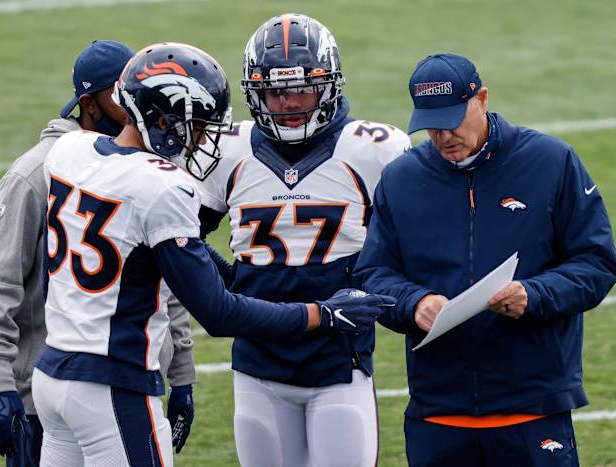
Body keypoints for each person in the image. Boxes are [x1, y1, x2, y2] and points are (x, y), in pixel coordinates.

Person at [30, 42, 394, 467]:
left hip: (52, 371)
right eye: (197, 125)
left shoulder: (69, 151)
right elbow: (217, 313)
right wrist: (321, 314)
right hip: (113, 383)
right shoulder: (161, 185)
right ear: (163, 120)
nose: (201, 138)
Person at [355, 53, 616, 466]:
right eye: (431, 124)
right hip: (438, 410)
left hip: (533, 405)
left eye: (452, 119)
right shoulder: (401, 179)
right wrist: (415, 303)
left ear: (481, 98)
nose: (443, 136)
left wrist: (534, 295)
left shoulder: (551, 162)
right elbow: (373, 273)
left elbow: (597, 261)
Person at [195, 14, 411, 467]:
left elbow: (418, 241)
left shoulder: (373, 148)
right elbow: (176, 238)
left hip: (339, 363)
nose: (290, 102)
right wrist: (227, 278)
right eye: (276, 91)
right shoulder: (228, 151)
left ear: (329, 86)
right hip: (258, 363)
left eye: (302, 89)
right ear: (257, 93)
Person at [0, 39, 153, 467]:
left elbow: (160, 281)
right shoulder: (35, 174)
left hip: (125, 386)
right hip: (46, 401)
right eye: (121, 94)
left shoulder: (141, 172)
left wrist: (181, 374)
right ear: (89, 103)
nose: (135, 104)